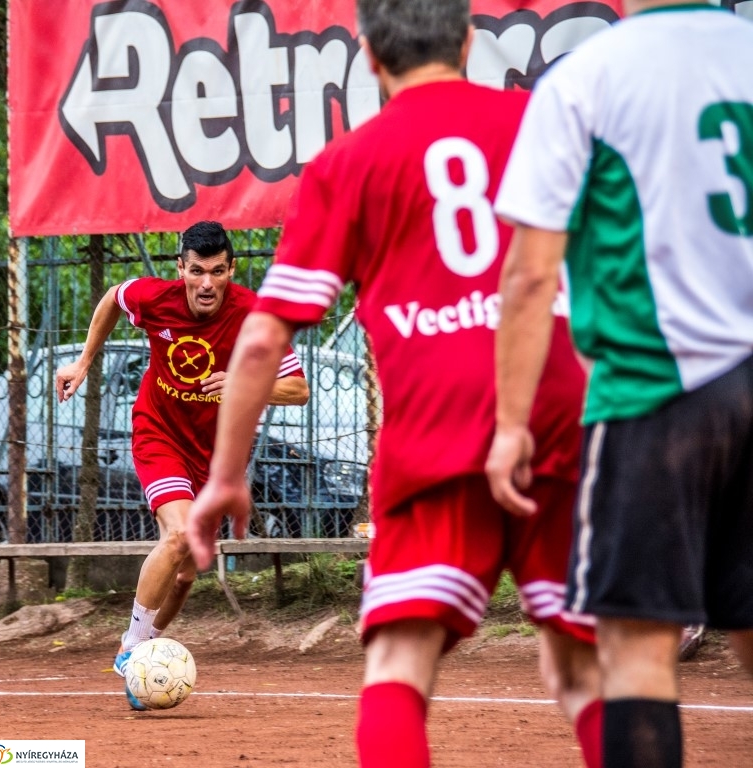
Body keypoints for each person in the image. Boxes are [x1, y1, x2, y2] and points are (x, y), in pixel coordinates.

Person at [186, 3, 602, 766]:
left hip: (435, 430)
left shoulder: (349, 164)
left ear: (370, 57)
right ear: (469, 42)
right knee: (585, 670)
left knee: (399, 664)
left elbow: (263, 342)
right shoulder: (539, 123)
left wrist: (224, 477)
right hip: (556, 411)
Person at [487, 2, 753, 765]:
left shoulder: (590, 77)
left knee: (637, 651)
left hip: (654, 393)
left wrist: (512, 424)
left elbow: (530, 273)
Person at [55, 220, 309, 710]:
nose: (207, 283)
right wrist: (84, 361)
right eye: (197, 271)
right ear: (181, 269)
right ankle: (131, 651)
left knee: (186, 574)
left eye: (217, 271)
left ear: (232, 270)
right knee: (177, 536)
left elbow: (298, 390)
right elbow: (113, 297)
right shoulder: (155, 298)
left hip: (216, 456)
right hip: (160, 434)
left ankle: (145, 664)